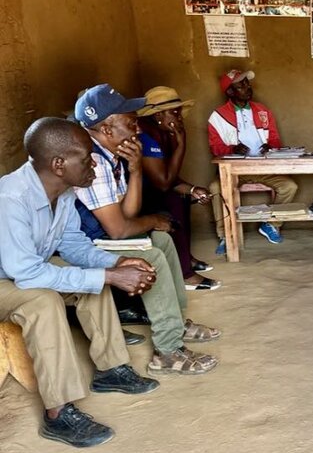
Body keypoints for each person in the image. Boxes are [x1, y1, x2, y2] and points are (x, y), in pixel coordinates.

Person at [0, 118, 162, 447]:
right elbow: (27, 274)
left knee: (93, 282)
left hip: (26, 271)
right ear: (58, 164)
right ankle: (58, 414)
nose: (94, 165)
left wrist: (116, 264)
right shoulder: (11, 198)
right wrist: (110, 275)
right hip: (10, 278)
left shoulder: (65, 191)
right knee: (42, 301)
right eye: (87, 159)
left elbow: (74, 246)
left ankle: (112, 369)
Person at [73, 85, 219, 377]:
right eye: (130, 123)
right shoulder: (94, 161)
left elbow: (128, 214)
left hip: (102, 234)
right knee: (151, 253)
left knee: (162, 240)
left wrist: (136, 169)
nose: (137, 129)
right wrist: (152, 220)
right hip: (84, 243)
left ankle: (175, 322)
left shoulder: (111, 155)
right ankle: (167, 351)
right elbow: (117, 230)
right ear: (106, 128)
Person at [137, 86, 219, 291]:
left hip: (151, 189)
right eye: (174, 112)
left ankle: (185, 258)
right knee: (173, 200)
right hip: (135, 197)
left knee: (182, 197)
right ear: (157, 115)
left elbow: (169, 178)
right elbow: (164, 183)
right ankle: (184, 274)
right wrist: (182, 145)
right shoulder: (146, 136)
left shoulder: (160, 133)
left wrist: (192, 190)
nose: (180, 116)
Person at [208, 70, 299, 252]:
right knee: (215, 188)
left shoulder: (263, 111)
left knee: (290, 186)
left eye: (247, 84)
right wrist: (232, 149)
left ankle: (271, 224)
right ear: (230, 92)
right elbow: (215, 148)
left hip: (263, 168)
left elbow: (274, 139)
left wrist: (270, 148)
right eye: (240, 85)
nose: (247, 88)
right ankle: (225, 236)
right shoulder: (217, 117)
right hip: (234, 171)